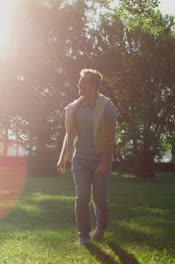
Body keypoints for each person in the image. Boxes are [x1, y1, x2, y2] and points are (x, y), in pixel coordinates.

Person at [57, 69, 117, 245]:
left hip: (100, 159)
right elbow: (70, 134)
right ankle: (83, 235)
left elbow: (110, 138)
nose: (79, 85)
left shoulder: (107, 106)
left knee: (99, 198)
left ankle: (101, 227)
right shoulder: (76, 107)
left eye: (83, 82)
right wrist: (62, 158)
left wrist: (104, 163)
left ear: (93, 85)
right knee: (82, 197)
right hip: (80, 159)